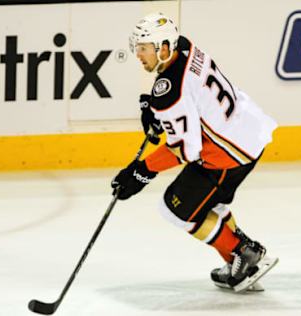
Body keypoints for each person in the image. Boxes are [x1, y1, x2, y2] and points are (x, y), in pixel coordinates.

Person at [111, 12, 278, 292]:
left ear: (164, 47)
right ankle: (240, 263)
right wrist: (154, 109)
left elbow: (185, 150)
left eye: (144, 48)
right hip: (248, 129)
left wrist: (141, 172)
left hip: (229, 154)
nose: (139, 55)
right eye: (137, 48)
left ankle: (243, 254)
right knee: (209, 204)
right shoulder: (185, 46)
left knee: (176, 209)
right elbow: (191, 95)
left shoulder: (168, 91)